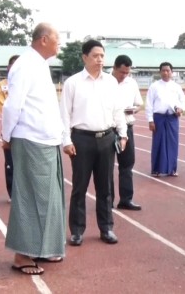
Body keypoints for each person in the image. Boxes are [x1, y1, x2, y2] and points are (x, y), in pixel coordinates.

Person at [1, 24, 65, 275]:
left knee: (49, 199)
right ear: (44, 39)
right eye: (57, 39)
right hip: (31, 140)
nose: (60, 44)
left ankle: (43, 248)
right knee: (30, 197)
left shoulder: (40, 64)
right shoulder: (25, 64)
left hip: (47, 141)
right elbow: (12, 105)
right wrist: (6, 135)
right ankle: (22, 255)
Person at [61, 40, 127, 247]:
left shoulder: (111, 82)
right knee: (79, 187)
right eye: (95, 56)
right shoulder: (72, 83)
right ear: (84, 57)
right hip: (81, 140)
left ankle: (106, 228)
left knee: (105, 187)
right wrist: (66, 140)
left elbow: (118, 110)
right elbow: (64, 114)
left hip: (106, 138)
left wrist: (123, 134)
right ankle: (77, 231)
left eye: (102, 56)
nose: (100, 60)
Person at [111, 55, 144, 210]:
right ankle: (107, 200)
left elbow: (139, 104)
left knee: (127, 165)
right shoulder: (105, 82)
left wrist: (134, 110)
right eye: (121, 72)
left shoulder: (131, 83)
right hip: (110, 129)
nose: (124, 75)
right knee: (106, 167)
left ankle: (126, 199)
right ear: (114, 68)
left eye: (127, 72)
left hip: (127, 126)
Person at [145, 62, 185, 177]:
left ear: (171, 72)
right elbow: (149, 104)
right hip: (158, 118)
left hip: (172, 118)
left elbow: (184, 101)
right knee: (158, 143)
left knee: (173, 143)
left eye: (168, 70)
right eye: (163, 70)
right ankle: (157, 169)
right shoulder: (154, 86)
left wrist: (181, 109)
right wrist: (150, 120)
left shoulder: (176, 87)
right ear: (160, 72)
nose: (165, 73)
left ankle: (172, 169)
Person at [0, 54, 20, 200]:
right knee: (10, 162)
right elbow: (4, 107)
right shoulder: (3, 85)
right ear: (8, 67)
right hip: (9, 129)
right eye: (14, 66)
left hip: (27, 130)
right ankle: (12, 193)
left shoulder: (27, 83)